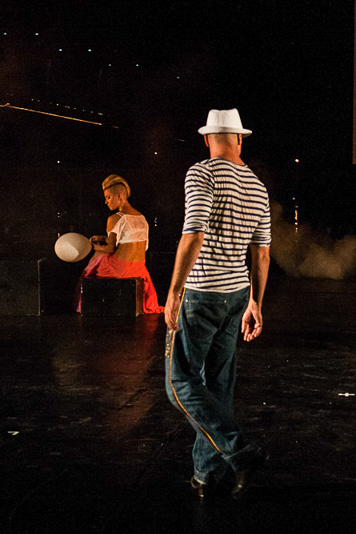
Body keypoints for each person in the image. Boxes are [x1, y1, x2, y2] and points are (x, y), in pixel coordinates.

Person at [164, 109, 272, 499]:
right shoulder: (257, 186)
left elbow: (193, 233)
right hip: (236, 296)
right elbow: (262, 253)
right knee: (218, 386)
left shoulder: (202, 172)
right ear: (239, 138)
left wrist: (174, 291)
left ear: (207, 139)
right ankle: (207, 474)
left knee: (178, 384)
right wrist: (256, 303)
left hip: (201, 293)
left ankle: (240, 452)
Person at [74, 174, 163, 314]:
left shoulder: (114, 218)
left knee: (97, 257)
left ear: (120, 196)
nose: (106, 202)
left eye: (108, 197)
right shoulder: (141, 217)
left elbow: (110, 248)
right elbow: (129, 240)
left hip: (121, 269)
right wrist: (103, 238)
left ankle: (81, 304)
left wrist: (91, 246)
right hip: (139, 268)